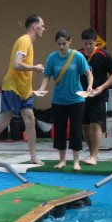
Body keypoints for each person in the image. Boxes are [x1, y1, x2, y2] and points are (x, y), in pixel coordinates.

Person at [0, 14, 46, 165]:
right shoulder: (24, 41)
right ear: (34, 26)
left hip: (24, 90)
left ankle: (33, 157)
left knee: (30, 120)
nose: (44, 29)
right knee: (4, 122)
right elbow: (17, 64)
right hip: (13, 87)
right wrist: (35, 68)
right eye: (42, 26)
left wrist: (32, 85)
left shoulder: (28, 43)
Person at [35, 30, 93, 170]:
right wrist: (41, 88)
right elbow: (47, 76)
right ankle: (62, 160)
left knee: (76, 130)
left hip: (77, 99)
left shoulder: (77, 56)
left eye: (64, 44)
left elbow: (88, 73)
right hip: (59, 100)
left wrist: (90, 86)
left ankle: (76, 161)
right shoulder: (52, 58)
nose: (61, 47)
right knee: (60, 130)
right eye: (59, 44)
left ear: (70, 41)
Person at [78, 29, 112, 165]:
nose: (88, 47)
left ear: (96, 42)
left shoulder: (104, 55)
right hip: (82, 95)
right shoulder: (78, 55)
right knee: (85, 125)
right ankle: (92, 153)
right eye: (85, 44)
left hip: (99, 95)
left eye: (90, 44)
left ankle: (94, 155)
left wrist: (102, 87)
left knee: (96, 123)